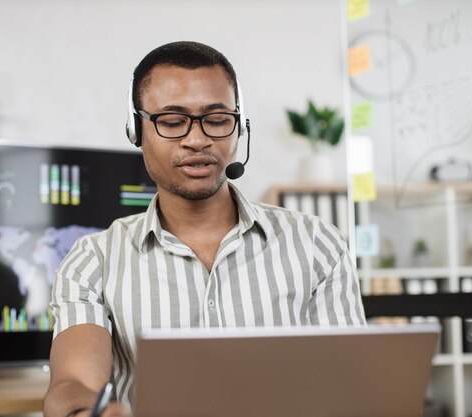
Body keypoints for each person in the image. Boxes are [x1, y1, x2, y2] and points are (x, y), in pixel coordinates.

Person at [44, 41, 366, 417]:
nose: (197, 140)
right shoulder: (92, 261)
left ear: (239, 126)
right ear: (137, 130)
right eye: (171, 120)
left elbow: (350, 384)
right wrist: (86, 412)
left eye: (216, 119)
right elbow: (74, 383)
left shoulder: (316, 244)